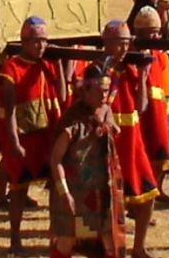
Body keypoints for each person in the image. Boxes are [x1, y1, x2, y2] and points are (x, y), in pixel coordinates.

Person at [0, 15, 64, 253]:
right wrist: (14, 141)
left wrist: (57, 64)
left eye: (44, 41)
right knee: (18, 189)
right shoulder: (11, 68)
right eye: (36, 41)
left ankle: (54, 234)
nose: (41, 46)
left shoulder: (45, 65)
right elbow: (9, 111)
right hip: (23, 137)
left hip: (45, 136)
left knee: (55, 186)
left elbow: (63, 94)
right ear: (24, 41)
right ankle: (15, 238)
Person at [49, 64, 125, 258]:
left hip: (101, 191)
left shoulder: (105, 110)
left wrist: (108, 125)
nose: (103, 96)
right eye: (99, 91)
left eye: (106, 91)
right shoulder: (72, 120)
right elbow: (56, 159)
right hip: (75, 192)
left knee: (108, 241)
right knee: (68, 240)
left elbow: (115, 129)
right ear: (86, 91)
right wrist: (64, 192)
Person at [101, 20, 156, 258]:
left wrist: (143, 76)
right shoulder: (99, 71)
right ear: (107, 44)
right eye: (118, 44)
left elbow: (142, 106)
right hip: (112, 143)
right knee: (110, 204)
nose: (123, 49)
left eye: (126, 44)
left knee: (149, 194)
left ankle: (139, 248)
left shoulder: (132, 68)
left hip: (133, 142)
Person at [131, 6, 169, 204]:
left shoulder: (157, 53)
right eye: (152, 32)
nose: (156, 36)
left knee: (162, 151)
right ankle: (140, 197)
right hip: (142, 110)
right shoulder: (132, 55)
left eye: (157, 32)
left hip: (159, 108)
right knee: (143, 154)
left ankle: (156, 189)